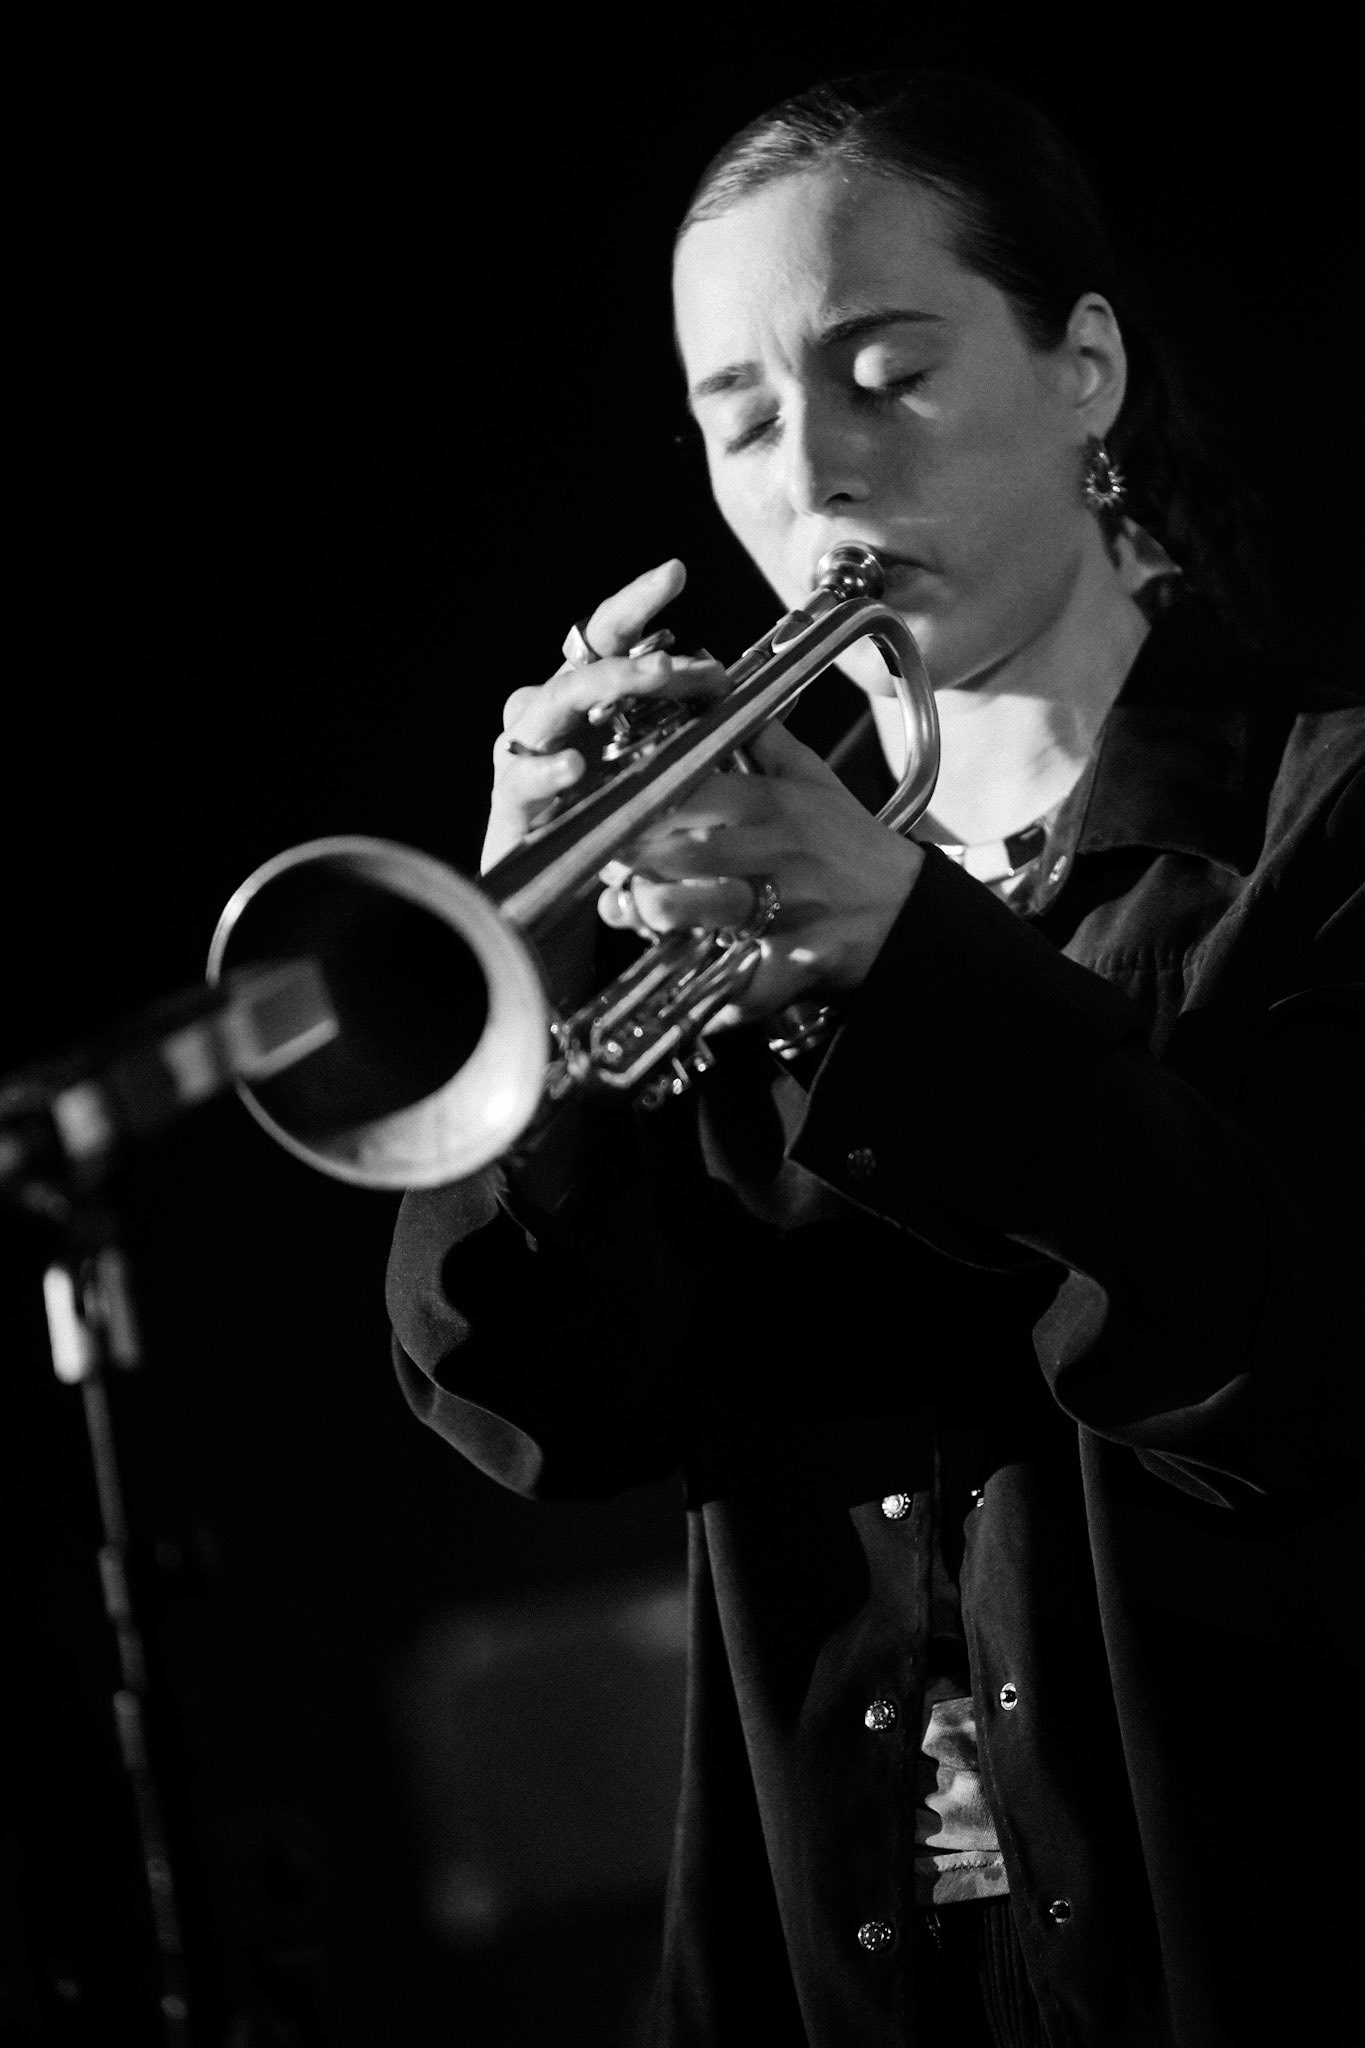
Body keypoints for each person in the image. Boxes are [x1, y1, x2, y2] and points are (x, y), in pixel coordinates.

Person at [385, 72, 1363, 2047]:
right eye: (738, 416)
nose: (810, 474)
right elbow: (531, 1405)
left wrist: (911, 962)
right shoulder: (735, 895)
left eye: (881, 371)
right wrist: (533, 951)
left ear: (1079, 367)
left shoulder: (1317, 820)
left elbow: (1273, 1370)